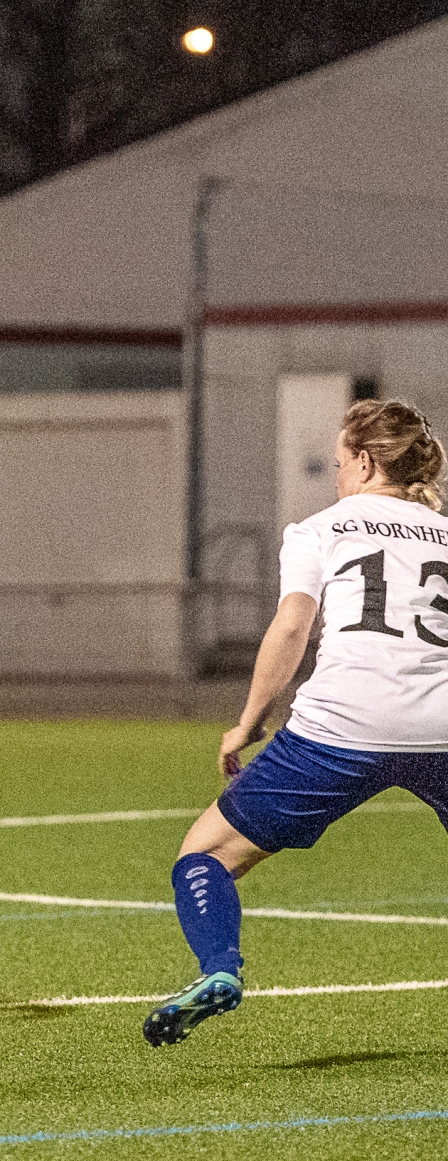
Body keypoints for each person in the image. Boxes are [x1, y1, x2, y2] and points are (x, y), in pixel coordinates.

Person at [146, 399, 448, 1047]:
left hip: (341, 725)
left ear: (364, 462)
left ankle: (220, 970)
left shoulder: (321, 529)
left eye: (338, 464)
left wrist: (249, 721)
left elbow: (291, 628)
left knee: (206, 854)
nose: (336, 477)